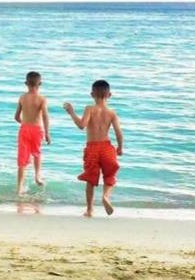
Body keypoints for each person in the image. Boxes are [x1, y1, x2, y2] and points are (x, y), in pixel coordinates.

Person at [63, 79, 123, 217]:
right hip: (107, 148)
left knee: (90, 179)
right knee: (110, 175)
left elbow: (81, 125)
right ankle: (106, 196)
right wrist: (120, 147)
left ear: (92, 94)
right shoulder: (112, 113)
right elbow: (118, 133)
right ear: (109, 95)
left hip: (92, 149)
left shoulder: (89, 109)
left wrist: (71, 112)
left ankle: (90, 210)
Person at [15, 71, 50, 195]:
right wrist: (47, 133)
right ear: (40, 84)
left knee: (22, 159)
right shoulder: (42, 99)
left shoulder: (22, 98)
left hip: (24, 129)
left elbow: (16, 117)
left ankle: (19, 188)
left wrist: (24, 123)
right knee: (37, 153)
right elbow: (45, 117)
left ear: (26, 83)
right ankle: (37, 177)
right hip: (37, 130)